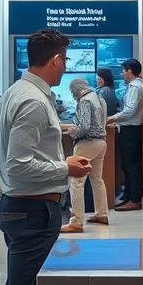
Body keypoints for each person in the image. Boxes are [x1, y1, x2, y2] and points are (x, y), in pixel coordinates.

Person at [0, 28, 93, 285]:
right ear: (55, 60)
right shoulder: (33, 101)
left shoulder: (16, 92)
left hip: (23, 208)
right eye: (65, 59)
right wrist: (65, 168)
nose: (66, 66)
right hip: (31, 211)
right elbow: (19, 165)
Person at [60, 76, 109, 233]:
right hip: (101, 143)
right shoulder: (99, 98)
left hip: (87, 144)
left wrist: (73, 132)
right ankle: (101, 214)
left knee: (76, 181)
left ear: (77, 89)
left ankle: (76, 222)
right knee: (97, 179)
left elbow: (85, 127)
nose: (72, 94)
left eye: (72, 91)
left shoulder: (84, 101)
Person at [106, 58, 143, 211]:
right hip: (130, 129)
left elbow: (129, 111)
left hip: (131, 130)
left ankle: (134, 199)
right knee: (128, 165)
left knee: (131, 165)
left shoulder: (135, 86)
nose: (122, 73)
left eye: (123, 70)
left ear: (130, 71)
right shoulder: (134, 85)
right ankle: (128, 196)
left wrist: (111, 118)